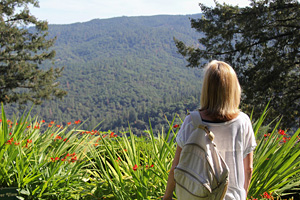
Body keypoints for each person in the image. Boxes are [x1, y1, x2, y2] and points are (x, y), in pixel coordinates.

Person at [163, 60, 257, 200]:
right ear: (233, 89)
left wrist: (167, 197)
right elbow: (248, 169)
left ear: (206, 89)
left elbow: (176, 167)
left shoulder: (192, 122)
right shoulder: (243, 122)